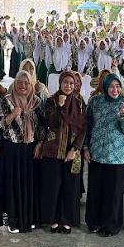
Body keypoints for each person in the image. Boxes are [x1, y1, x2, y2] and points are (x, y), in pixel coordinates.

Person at [84, 73, 124, 237]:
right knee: (96, 190)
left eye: (118, 86)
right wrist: (85, 147)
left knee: (113, 194)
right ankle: (94, 222)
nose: (115, 89)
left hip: (117, 156)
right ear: (106, 87)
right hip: (97, 153)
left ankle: (110, 225)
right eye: (112, 86)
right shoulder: (95, 102)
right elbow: (88, 125)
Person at [39, 71, 85, 234]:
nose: (68, 86)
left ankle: (66, 220)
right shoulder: (51, 100)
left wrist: (75, 149)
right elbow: (51, 122)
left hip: (72, 151)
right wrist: (60, 106)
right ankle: (53, 219)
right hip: (53, 150)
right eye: (65, 82)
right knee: (53, 186)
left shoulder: (79, 103)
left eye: (72, 83)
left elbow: (83, 129)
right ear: (60, 83)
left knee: (69, 187)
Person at [0, 70, 41, 233]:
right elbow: (0, 125)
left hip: (30, 149)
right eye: (19, 82)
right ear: (14, 84)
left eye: (26, 83)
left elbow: (42, 126)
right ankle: (13, 220)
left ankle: (29, 219)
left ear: (31, 85)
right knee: (13, 184)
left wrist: (39, 144)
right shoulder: (7, 100)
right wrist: (13, 114)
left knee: (28, 184)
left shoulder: (36, 102)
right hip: (12, 149)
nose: (23, 85)